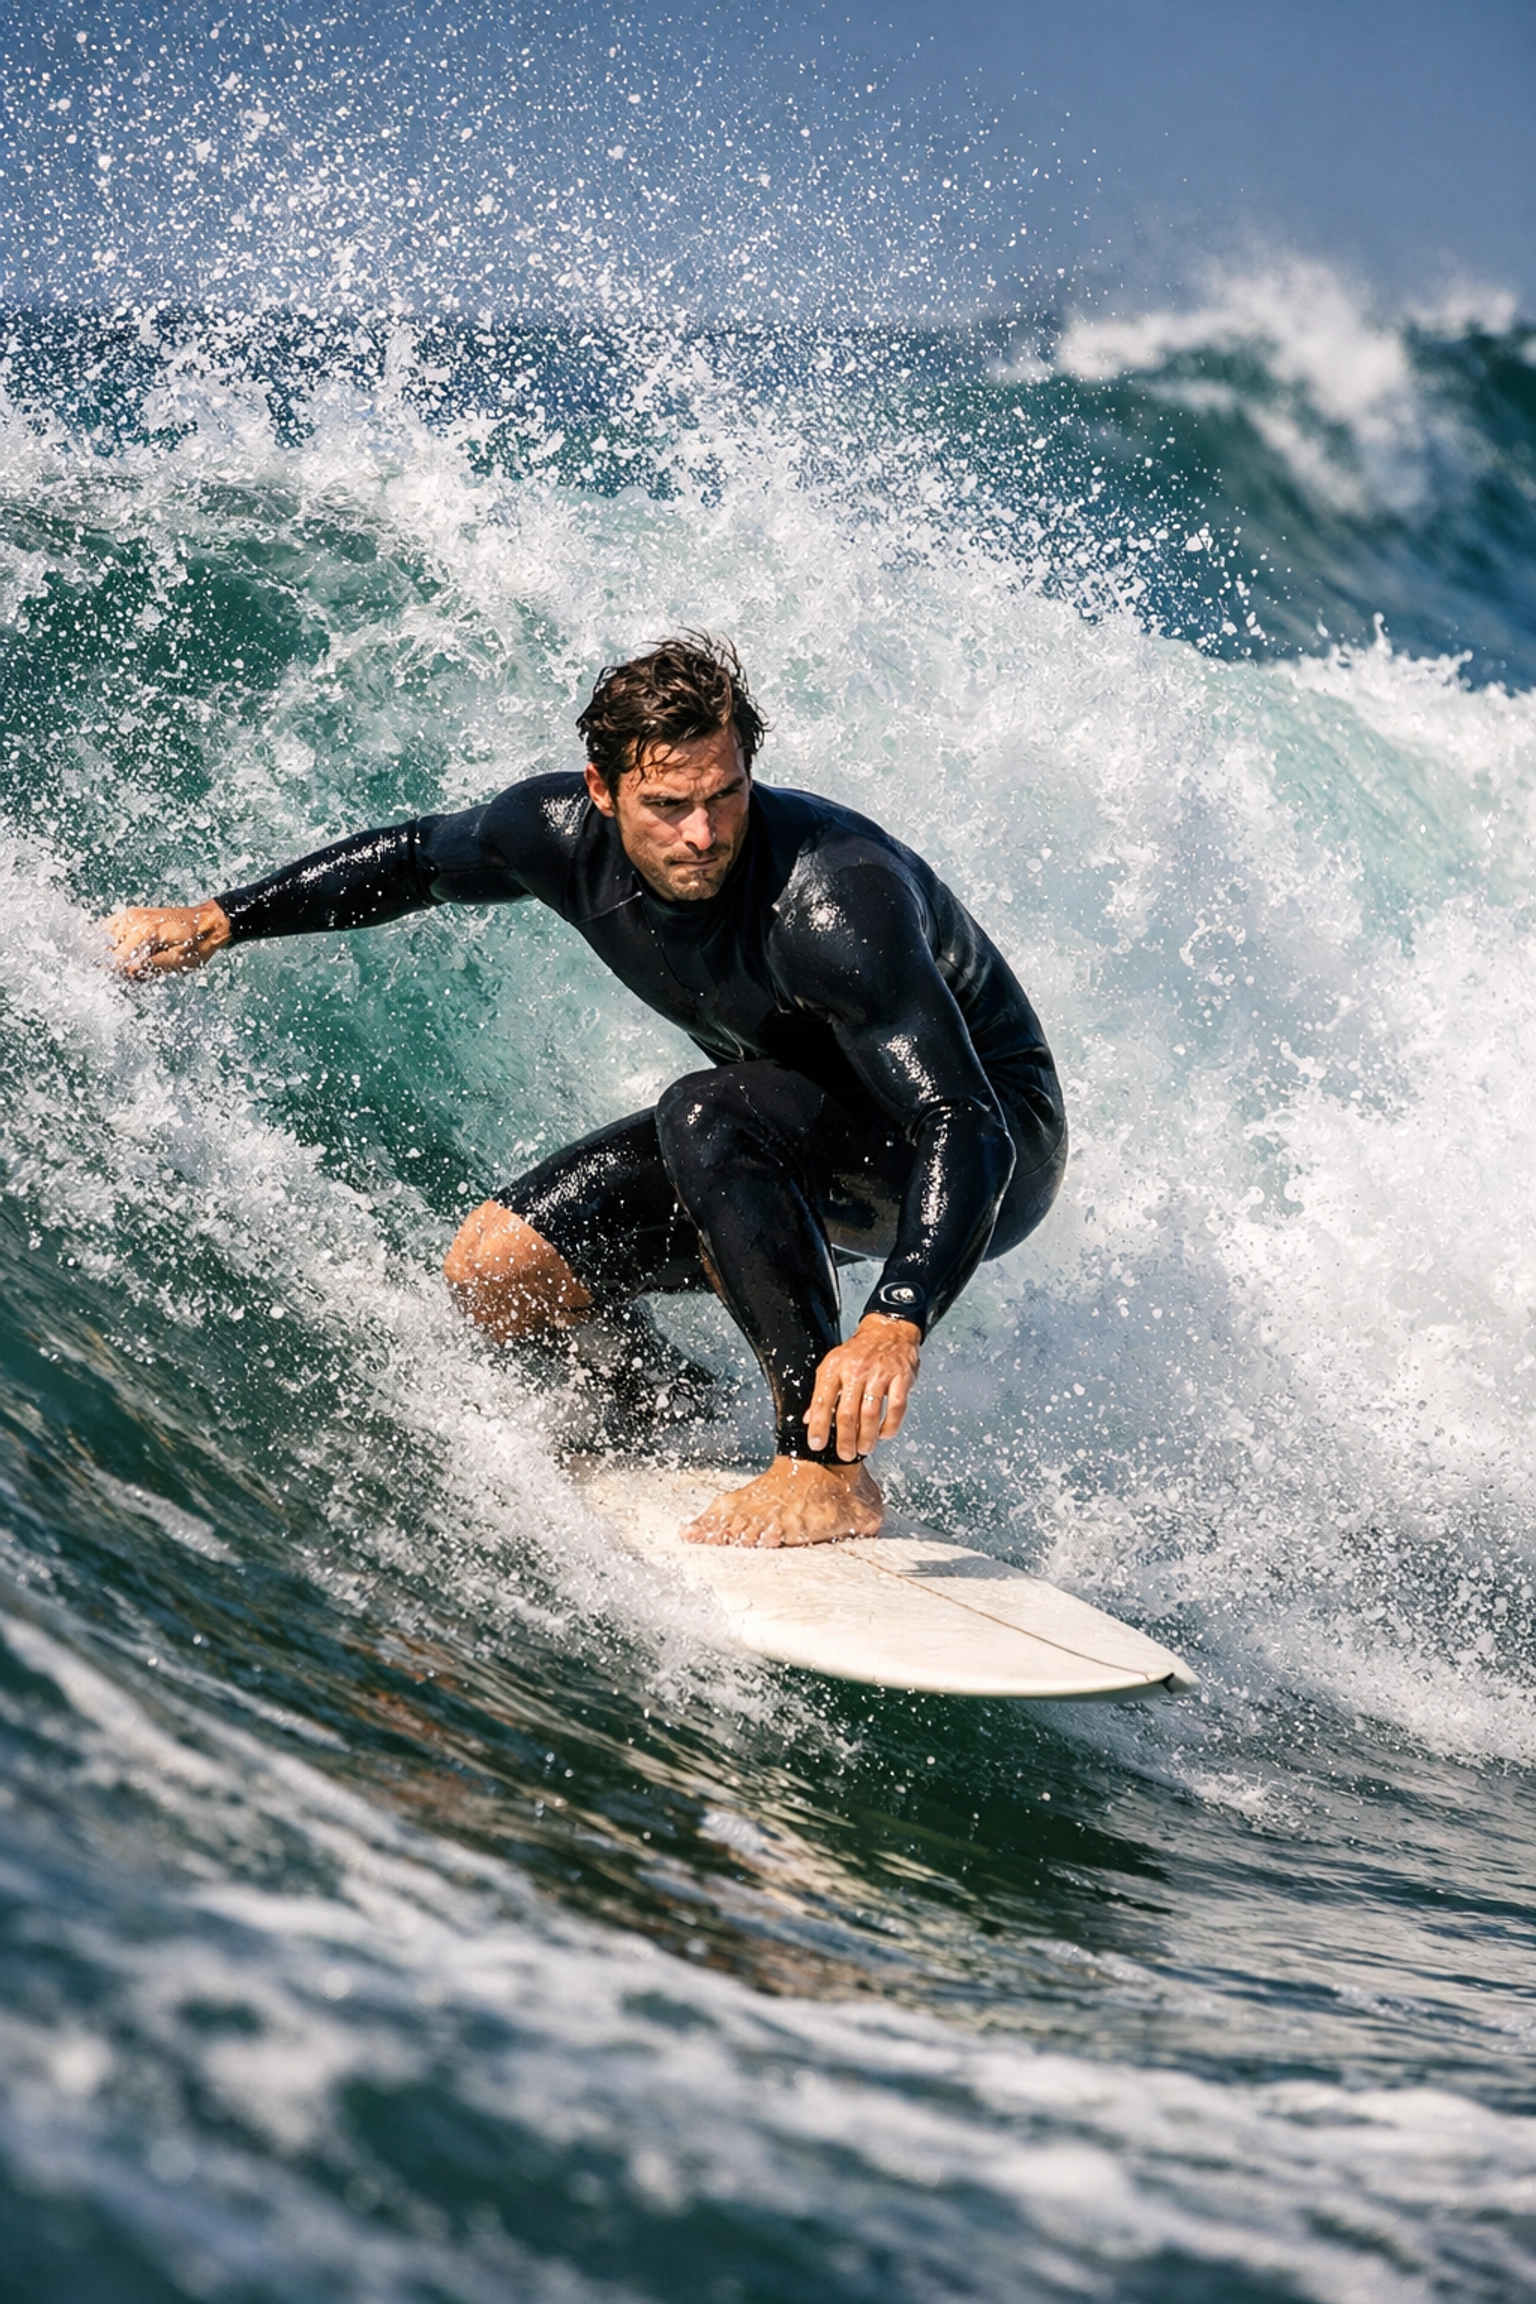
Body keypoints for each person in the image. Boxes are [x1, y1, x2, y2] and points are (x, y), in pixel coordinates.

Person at [105, 635, 1066, 1547]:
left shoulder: (833, 901)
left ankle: (824, 1469)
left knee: (706, 1110)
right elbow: (415, 861)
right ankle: (665, 1405)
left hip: (981, 1149)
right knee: (495, 1272)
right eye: (668, 806)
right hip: (785, 1119)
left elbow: (963, 1119)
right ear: (602, 791)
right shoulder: (555, 834)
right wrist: (221, 919)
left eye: (726, 795)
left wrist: (897, 1316)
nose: (703, 834)